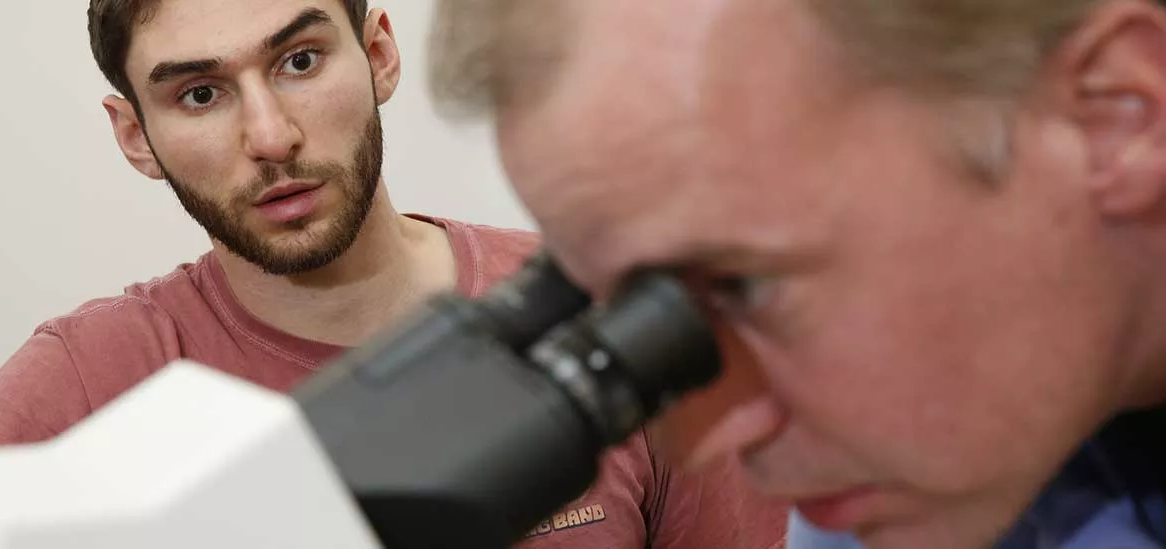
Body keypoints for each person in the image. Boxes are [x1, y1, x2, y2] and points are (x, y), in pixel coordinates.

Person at [0, 1, 791, 548]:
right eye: (199, 92)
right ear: (136, 135)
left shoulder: (607, 317)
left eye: (300, 60)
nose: (271, 136)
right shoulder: (88, 380)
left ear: (381, 53)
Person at [425, 0, 1166, 547]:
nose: (704, 437)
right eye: (632, 314)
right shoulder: (902, 485)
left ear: (1115, 115)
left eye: (745, 287)